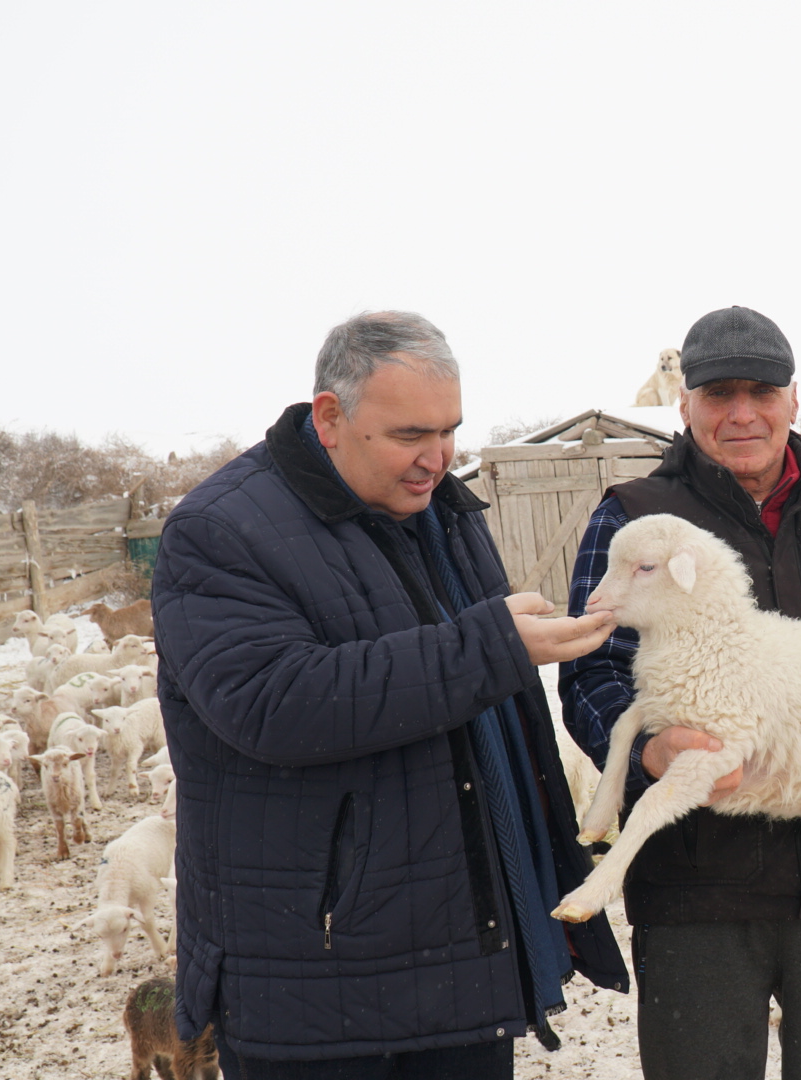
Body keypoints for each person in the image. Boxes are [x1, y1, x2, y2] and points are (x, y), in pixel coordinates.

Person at [151, 311, 626, 1080]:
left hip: (457, 958)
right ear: (330, 417)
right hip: (316, 979)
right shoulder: (221, 528)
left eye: (450, 431)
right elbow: (271, 705)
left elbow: (489, 723)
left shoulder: (439, 511)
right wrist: (489, 646)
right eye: (410, 434)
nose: (436, 458)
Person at [561, 306, 801, 1080]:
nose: (741, 414)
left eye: (761, 391)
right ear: (685, 406)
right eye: (717, 394)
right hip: (701, 888)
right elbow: (589, 668)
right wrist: (653, 750)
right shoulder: (634, 518)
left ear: (794, 399)